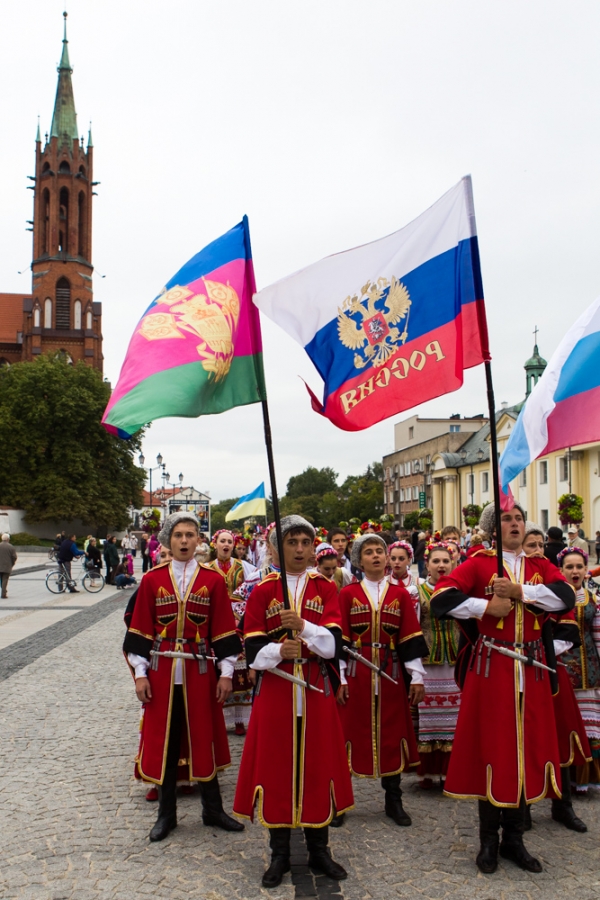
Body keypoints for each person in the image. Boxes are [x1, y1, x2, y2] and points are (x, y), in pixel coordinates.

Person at [431, 501, 574, 875]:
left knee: (525, 749)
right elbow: (441, 599)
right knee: (492, 748)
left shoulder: (540, 566)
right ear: (494, 529)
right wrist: (484, 607)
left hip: (533, 668)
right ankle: (488, 842)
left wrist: (520, 591)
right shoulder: (479, 563)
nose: (514, 524)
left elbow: (565, 597)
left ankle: (515, 840)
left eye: (519, 519)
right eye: (507, 520)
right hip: (492, 664)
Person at [234, 515, 352, 889]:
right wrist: (277, 648)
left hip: (315, 686)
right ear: (276, 547)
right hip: (277, 688)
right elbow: (251, 652)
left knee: (318, 762)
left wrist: (304, 627)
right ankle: (280, 852)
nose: (300, 549)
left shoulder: (326, 588)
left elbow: (334, 646)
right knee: (276, 764)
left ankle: (320, 848)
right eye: (292, 542)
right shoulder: (263, 590)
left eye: (306, 542)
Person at [123, 512, 244, 841]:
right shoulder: (151, 579)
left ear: (199, 540)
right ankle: (167, 814)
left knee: (204, 736)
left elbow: (223, 629)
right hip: (162, 672)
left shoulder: (213, 580)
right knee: (166, 739)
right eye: (178, 535)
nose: (185, 541)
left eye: (191, 535)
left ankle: (213, 809)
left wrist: (227, 673)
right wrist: (140, 674)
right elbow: (139, 632)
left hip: (201, 670)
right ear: (168, 539)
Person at [336, 533, 427, 829]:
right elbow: (340, 640)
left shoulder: (401, 594)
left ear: (387, 559)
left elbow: (410, 636)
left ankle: (394, 800)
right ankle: (341, 800)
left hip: (391, 672)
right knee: (350, 732)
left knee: (391, 731)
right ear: (359, 561)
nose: (376, 556)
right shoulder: (347, 594)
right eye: (369, 552)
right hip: (355, 672)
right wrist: (340, 677)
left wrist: (416, 677)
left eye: (380, 551)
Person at [523, 526, 590, 832]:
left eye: (540, 544)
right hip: (517, 670)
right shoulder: (513, 580)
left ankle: (562, 805)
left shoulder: (553, 580)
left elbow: (568, 628)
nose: (537, 550)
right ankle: (520, 807)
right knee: (522, 738)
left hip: (551, 668)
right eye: (530, 545)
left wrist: (545, 651)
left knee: (561, 734)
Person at [416, 541, 461, 788]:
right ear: (427, 565)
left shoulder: (458, 590)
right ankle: (431, 771)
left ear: (453, 564)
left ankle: (451, 769)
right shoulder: (418, 592)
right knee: (430, 717)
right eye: (436, 561)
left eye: (446, 561)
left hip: (454, 661)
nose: (441, 565)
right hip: (429, 662)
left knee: (454, 717)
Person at [558, 546, 600, 793]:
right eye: (569, 567)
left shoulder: (593, 600)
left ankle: (585, 778)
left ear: (586, 570)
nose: (575, 571)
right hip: (562, 669)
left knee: (589, 724)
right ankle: (565, 777)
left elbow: (597, 635)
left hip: (589, 670)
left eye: (579, 567)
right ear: (561, 570)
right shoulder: (556, 598)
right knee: (566, 723)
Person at [208, 529, 253, 736]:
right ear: (214, 544)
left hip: (237, 623)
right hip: (216, 622)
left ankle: (240, 720)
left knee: (239, 669)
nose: (226, 545)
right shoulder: (207, 569)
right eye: (222, 541)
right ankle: (217, 716)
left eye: (229, 542)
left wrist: (239, 615)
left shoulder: (244, 568)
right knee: (218, 666)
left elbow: (251, 594)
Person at [387, 541, 419, 609]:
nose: (397, 562)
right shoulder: (382, 582)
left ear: (409, 560)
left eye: (401, 559)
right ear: (389, 559)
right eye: (393, 558)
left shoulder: (419, 583)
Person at [0, 534, 17, 599]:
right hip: (7, 566)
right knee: (5, 579)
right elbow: (14, 557)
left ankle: (3, 591)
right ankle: (3, 594)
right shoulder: (11, 547)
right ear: (8, 539)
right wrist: (11, 563)